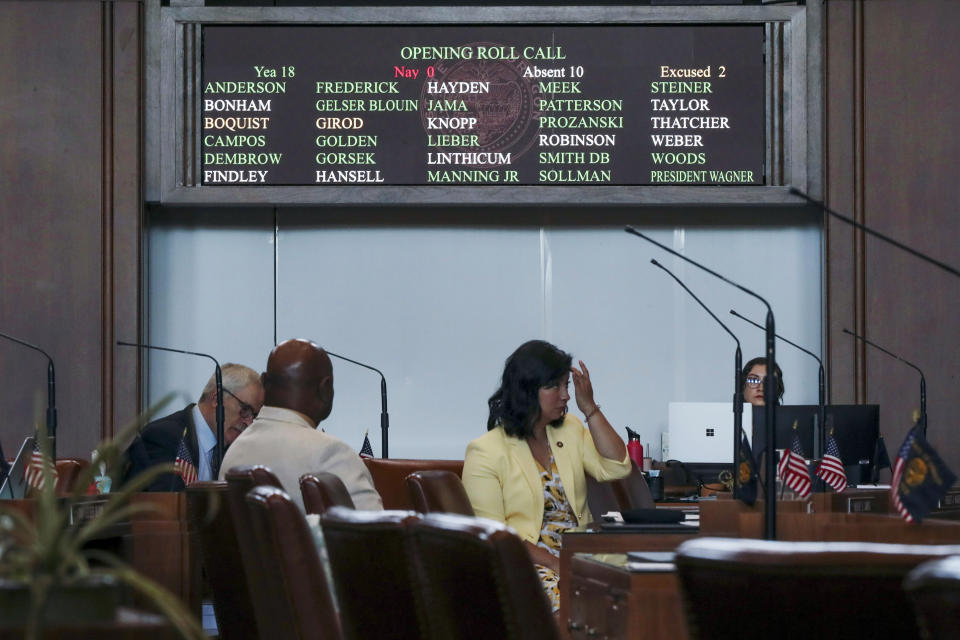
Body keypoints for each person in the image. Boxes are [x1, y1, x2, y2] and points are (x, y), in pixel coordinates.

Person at [462, 340, 630, 613]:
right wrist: (556, 563)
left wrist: (590, 409)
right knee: (576, 604)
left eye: (567, 385)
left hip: (580, 551)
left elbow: (617, 467)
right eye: (554, 386)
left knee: (643, 589)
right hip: (529, 562)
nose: (565, 395)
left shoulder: (571, 429)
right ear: (527, 390)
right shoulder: (485, 451)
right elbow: (493, 534)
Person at [218, 338, 382, 512]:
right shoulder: (330, 454)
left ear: (264, 383)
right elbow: (377, 535)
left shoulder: (234, 454)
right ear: (325, 389)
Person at [124, 363, 264, 491]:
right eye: (245, 410)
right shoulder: (163, 437)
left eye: (254, 415)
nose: (249, 423)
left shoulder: (233, 451)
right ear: (217, 398)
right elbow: (163, 508)